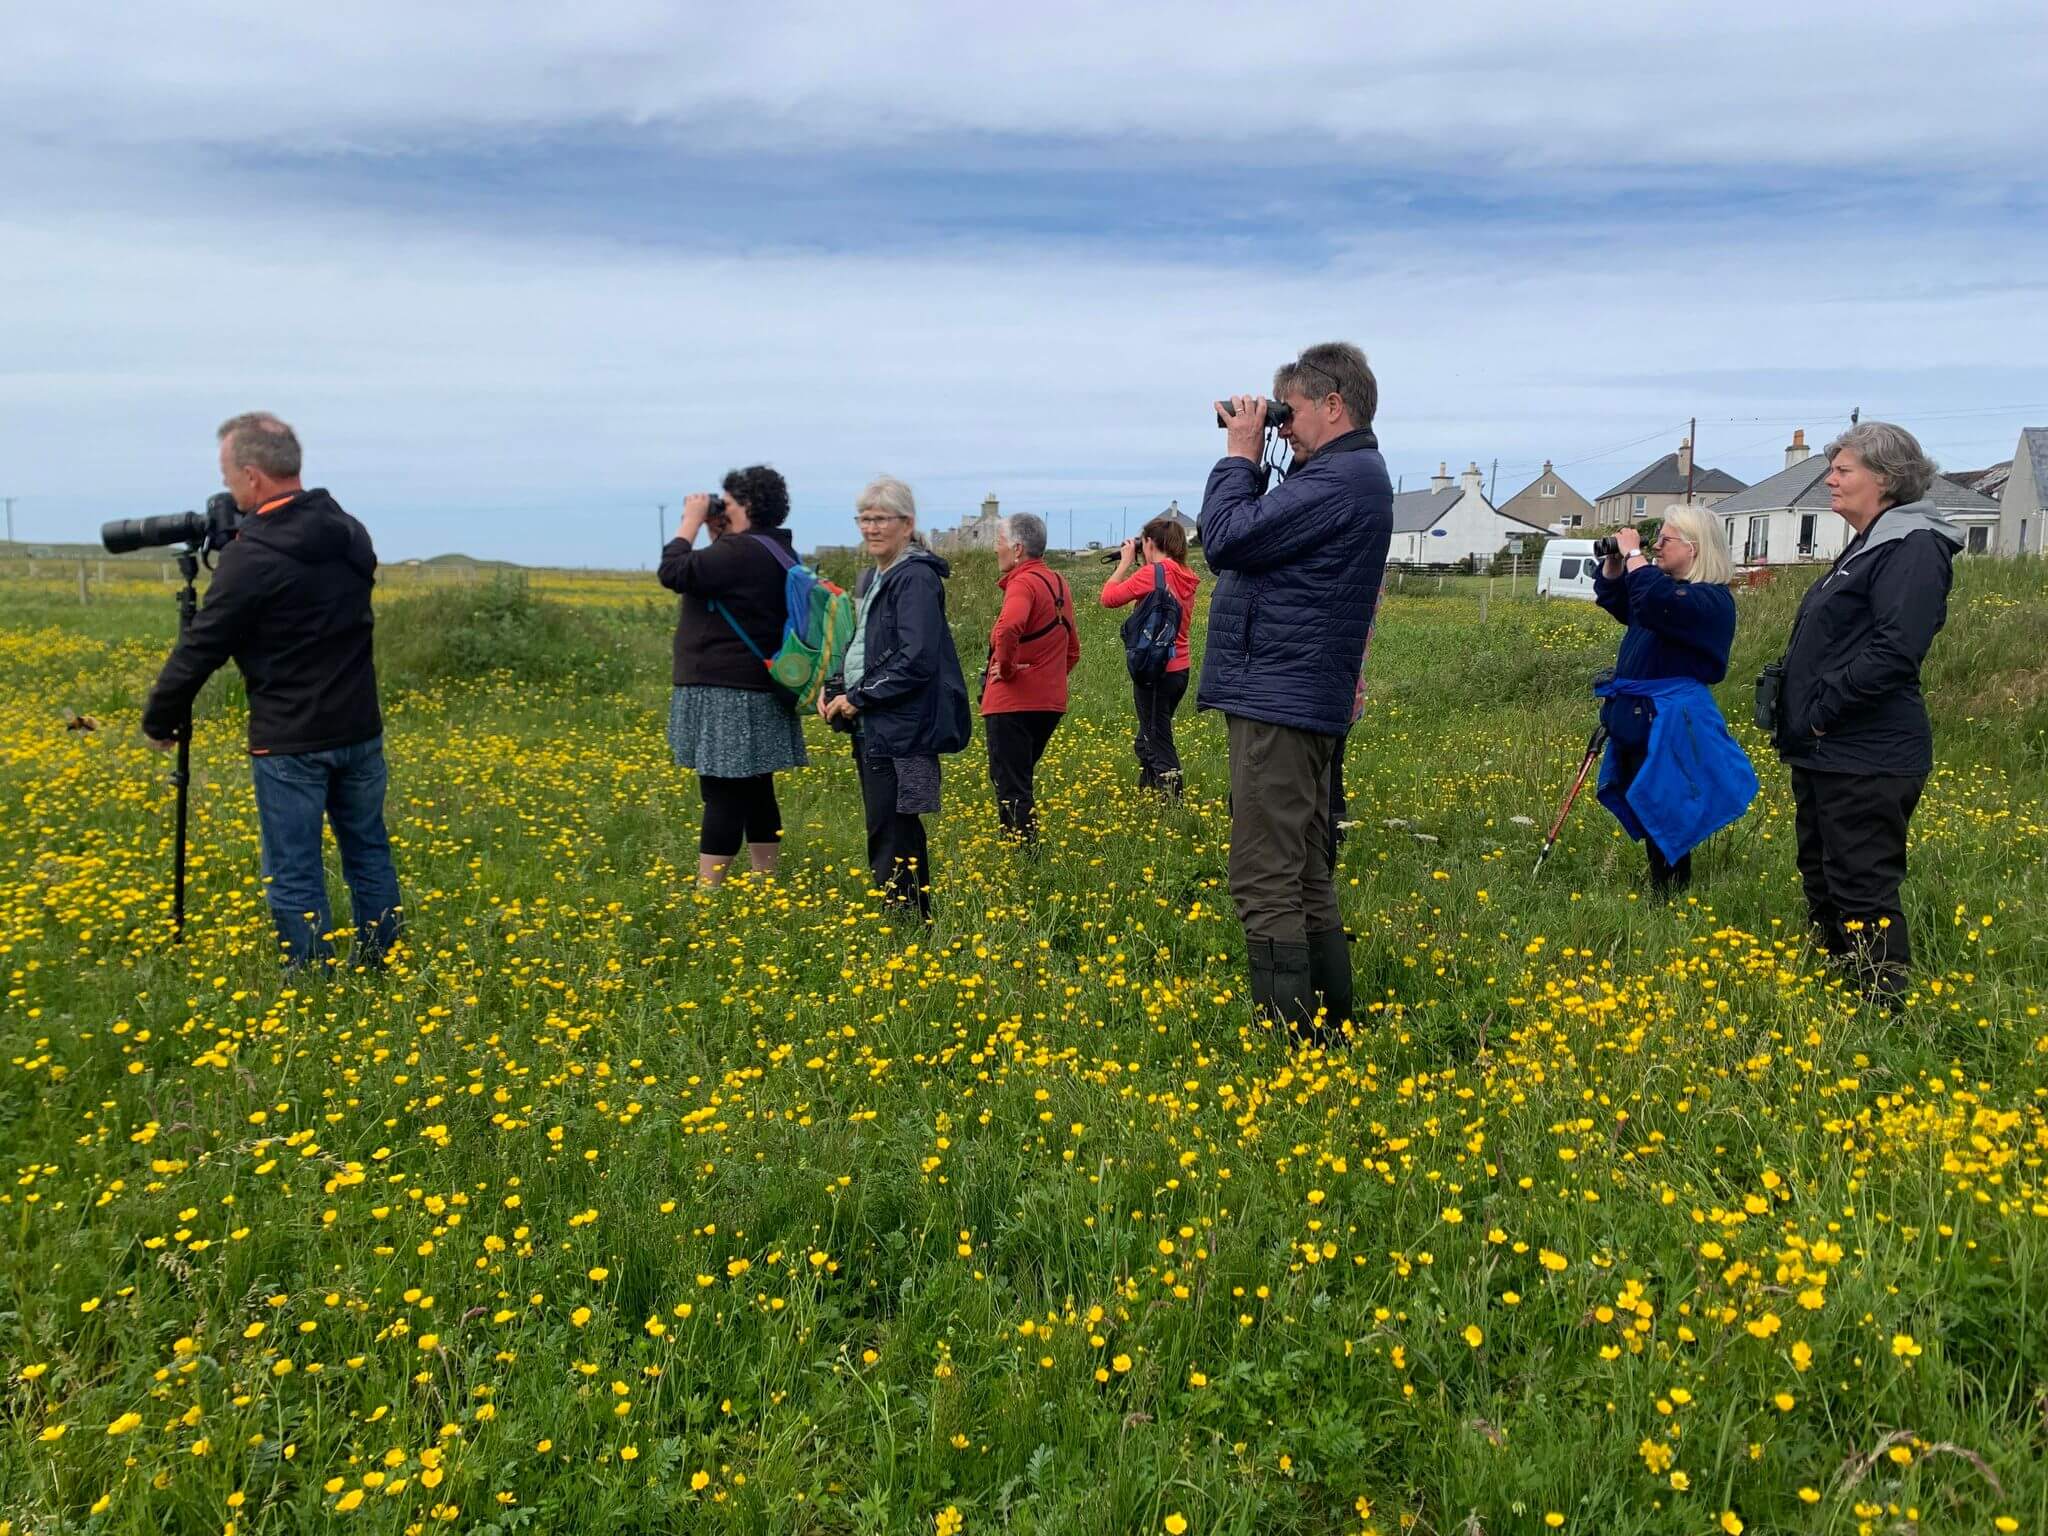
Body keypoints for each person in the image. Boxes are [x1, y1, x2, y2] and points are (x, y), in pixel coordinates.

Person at [141, 412, 401, 969]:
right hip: (359, 728)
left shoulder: (252, 557)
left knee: (294, 867)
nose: (229, 487)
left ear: (253, 476)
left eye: (230, 474)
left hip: (291, 739)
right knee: (369, 853)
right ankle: (384, 965)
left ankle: (310, 984)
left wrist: (160, 718)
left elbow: (202, 646)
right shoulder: (350, 531)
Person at [1198, 342, 1393, 1041]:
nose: (1281, 425)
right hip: (1301, 693)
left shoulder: (1340, 481)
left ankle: (1290, 1043)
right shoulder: (1352, 475)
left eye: (1292, 411)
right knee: (1305, 871)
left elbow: (1224, 537)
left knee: (1265, 876)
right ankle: (1329, 1026)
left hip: (1281, 698)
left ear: (1333, 406)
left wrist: (1240, 456)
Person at [1771, 421, 1962, 1009]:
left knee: (1862, 880)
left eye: (1843, 470)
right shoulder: (1873, 541)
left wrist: (1824, 711)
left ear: (1885, 478)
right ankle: (1836, 988)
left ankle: (1880, 1006)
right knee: (1823, 869)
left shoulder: (1914, 545)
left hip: (1868, 751)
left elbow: (1895, 648)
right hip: (1828, 750)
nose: (1830, 479)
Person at [820, 475, 971, 918]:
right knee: (886, 827)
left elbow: (916, 658)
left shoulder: (915, 578)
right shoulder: (878, 575)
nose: (870, 528)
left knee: (894, 831)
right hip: (878, 724)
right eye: (864, 519)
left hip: (898, 726)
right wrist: (835, 688)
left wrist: (858, 697)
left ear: (907, 524)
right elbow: (866, 644)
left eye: (880, 519)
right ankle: (907, 917)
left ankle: (908, 923)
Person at [657, 465, 808, 885]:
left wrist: (690, 520)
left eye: (729, 501)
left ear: (747, 505)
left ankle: (710, 891)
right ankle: (765, 880)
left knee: (722, 791)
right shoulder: (777, 549)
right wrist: (719, 532)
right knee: (757, 787)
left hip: (724, 690)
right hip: (760, 688)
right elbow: (725, 578)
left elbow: (674, 571)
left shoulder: (740, 552)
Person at [1591, 504, 1740, 895]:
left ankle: (1670, 892)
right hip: (1641, 717)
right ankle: (1663, 884)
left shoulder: (1709, 601)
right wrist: (1614, 565)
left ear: (1694, 548)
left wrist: (1635, 555)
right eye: (1654, 541)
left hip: (1670, 721)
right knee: (1648, 799)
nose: (1656, 547)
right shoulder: (1665, 594)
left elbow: (1657, 601)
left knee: (1667, 804)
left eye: (1665, 540)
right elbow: (1627, 601)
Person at [981, 512, 1080, 843]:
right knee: (1019, 779)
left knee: (1011, 785)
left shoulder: (1022, 583)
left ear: (1018, 548)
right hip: (1048, 704)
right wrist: (1047, 677)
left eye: (999, 542)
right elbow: (1073, 650)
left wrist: (1007, 669)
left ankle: (1023, 857)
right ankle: (1024, 854)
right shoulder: (1058, 583)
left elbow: (1009, 627)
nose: (996, 549)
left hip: (1012, 703)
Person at [1101, 515, 1201, 796]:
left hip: (1155, 669)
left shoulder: (1153, 573)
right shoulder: (1186, 574)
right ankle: (1147, 794)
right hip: (1179, 669)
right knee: (1148, 736)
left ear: (1148, 542)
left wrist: (1123, 562)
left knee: (1158, 741)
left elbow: (1109, 598)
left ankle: (1172, 807)